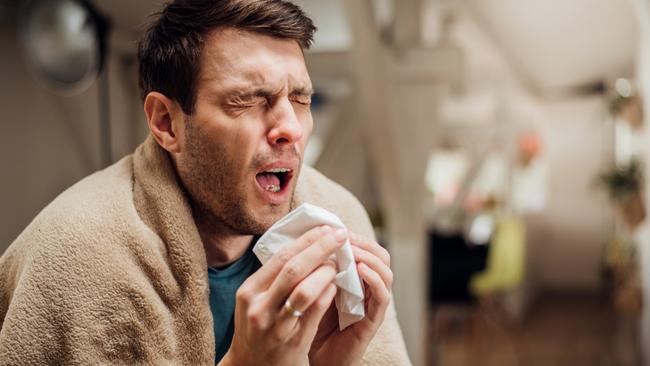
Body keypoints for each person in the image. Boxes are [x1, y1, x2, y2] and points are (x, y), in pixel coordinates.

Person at [0, 0, 411, 364]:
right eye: (247, 99)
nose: (291, 128)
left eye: (300, 100)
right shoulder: (74, 258)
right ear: (166, 123)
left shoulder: (339, 217)